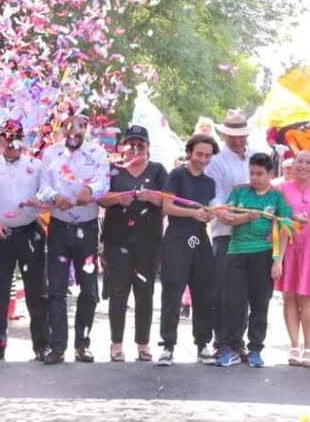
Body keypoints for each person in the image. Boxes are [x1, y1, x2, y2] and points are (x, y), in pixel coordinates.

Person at [38, 114, 111, 365]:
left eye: (78, 130)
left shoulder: (97, 153)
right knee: (56, 289)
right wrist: (54, 196)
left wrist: (91, 189)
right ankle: (58, 346)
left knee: (89, 289)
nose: (73, 135)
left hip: (87, 229)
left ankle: (83, 344)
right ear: (61, 130)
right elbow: (43, 187)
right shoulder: (51, 154)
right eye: (68, 130)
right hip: (59, 227)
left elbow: (104, 182)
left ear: (85, 130)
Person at [0, 119, 48, 363]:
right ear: (0, 140)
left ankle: (42, 345)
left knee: (37, 290)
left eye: (16, 137)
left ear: (22, 140)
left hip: (30, 231)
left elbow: (47, 191)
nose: (11, 142)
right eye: (6, 137)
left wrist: (40, 200)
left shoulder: (36, 166)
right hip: (1, 233)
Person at [214, 153, 292, 367]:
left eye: (259, 173)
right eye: (252, 173)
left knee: (260, 303)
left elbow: (285, 229)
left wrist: (278, 261)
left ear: (270, 174)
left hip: (264, 254)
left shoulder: (277, 197)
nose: (255, 178)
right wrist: (245, 217)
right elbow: (227, 218)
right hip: (236, 252)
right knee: (234, 302)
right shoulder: (239, 191)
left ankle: (256, 349)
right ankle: (232, 347)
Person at [101, 125, 167, 363]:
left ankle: (143, 344)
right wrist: (118, 198)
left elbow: (168, 200)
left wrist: (153, 197)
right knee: (118, 292)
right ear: (123, 146)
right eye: (131, 144)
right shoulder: (113, 170)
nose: (136, 148)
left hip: (147, 242)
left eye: (141, 144)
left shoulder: (158, 170)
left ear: (148, 147)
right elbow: (101, 199)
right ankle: (116, 344)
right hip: (117, 240)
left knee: (145, 292)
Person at [156, 134, 219, 366]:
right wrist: (194, 213)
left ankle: (202, 345)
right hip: (177, 238)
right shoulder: (176, 175)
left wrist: (212, 214)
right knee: (172, 292)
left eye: (207, 155)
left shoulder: (210, 183)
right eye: (199, 154)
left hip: (199, 239)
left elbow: (210, 209)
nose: (203, 159)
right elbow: (168, 206)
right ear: (190, 152)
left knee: (204, 293)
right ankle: (167, 346)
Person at [275, 150, 310, 367]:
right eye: (300, 161)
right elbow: (275, 217)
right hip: (289, 250)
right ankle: (294, 346)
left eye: (308, 162)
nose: (303, 166)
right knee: (289, 298)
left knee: (308, 299)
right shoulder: (282, 188)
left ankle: (308, 347)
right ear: (293, 164)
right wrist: (290, 219)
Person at [204, 109, 253, 356]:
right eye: (232, 135)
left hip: (253, 233)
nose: (236, 140)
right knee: (222, 290)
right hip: (225, 231)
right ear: (224, 135)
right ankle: (221, 340)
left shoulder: (256, 156)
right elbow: (214, 194)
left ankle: (237, 340)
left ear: (246, 135)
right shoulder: (216, 161)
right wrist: (221, 210)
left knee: (244, 291)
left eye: (240, 135)